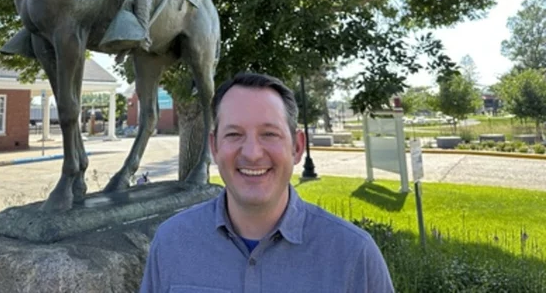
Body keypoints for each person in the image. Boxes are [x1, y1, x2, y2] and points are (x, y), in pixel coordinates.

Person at [140, 73, 394, 292]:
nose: (252, 153)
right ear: (214, 147)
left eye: (269, 134)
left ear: (297, 147)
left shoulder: (353, 255)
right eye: (234, 134)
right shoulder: (172, 242)